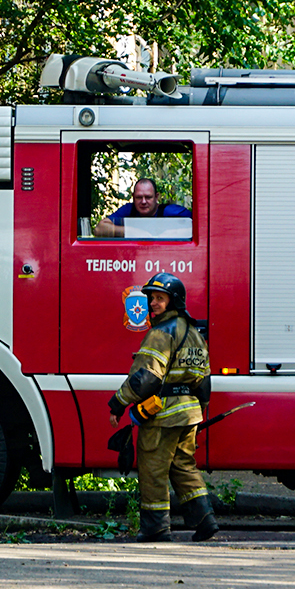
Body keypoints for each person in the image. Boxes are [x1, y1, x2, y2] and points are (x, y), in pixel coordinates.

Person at [108, 273, 218, 542]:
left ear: (174, 301)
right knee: (183, 466)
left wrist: (118, 403)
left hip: (162, 416)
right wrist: (200, 411)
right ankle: (205, 520)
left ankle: (156, 528)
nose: (153, 303)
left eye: (159, 298)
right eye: (151, 298)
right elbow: (204, 381)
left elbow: (146, 377)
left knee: (153, 469)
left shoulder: (160, 333)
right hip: (189, 413)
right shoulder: (194, 333)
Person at [91, 178, 192, 237]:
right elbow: (99, 229)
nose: (143, 202)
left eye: (148, 197)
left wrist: (163, 235)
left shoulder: (171, 211)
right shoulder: (128, 210)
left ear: (156, 197)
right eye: (139, 197)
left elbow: (199, 228)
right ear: (133, 197)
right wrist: (133, 232)